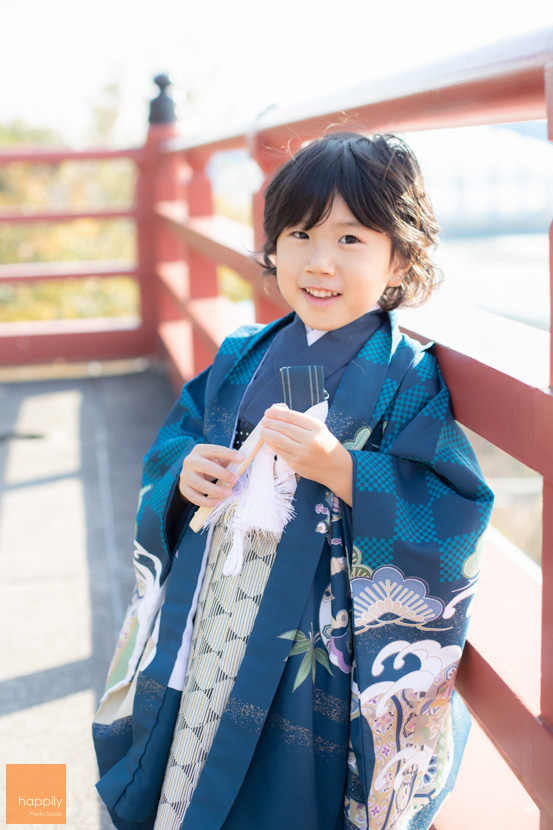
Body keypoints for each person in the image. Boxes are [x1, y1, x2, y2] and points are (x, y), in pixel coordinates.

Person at [93, 132, 493, 830]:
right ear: (271, 245)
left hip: (316, 637)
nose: (318, 262)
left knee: (286, 778)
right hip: (216, 601)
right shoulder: (243, 354)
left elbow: (450, 508)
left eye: (350, 240)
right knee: (201, 723)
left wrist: (342, 469)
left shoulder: (406, 378)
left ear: (399, 256)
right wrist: (186, 472)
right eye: (300, 233)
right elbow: (174, 446)